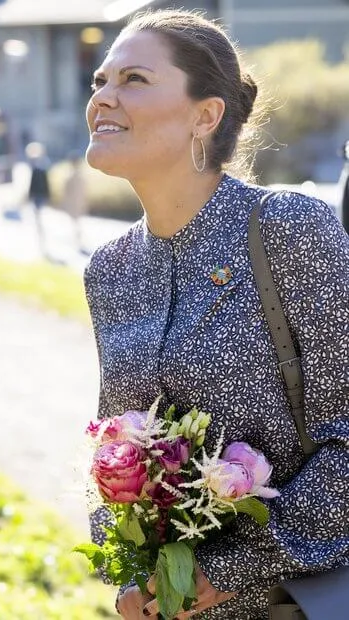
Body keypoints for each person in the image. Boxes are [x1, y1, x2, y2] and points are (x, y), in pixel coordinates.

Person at [83, 9, 348, 620]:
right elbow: (114, 450)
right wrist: (125, 573)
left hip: (300, 602)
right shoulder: (109, 271)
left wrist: (227, 568)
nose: (102, 98)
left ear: (206, 115)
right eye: (100, 81)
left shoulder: (288, 229)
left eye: (134, 80)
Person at [61, 152, 89, 253]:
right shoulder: (79, 175)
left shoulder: (72, 176)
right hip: (77, 202)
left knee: (75, 223)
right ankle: (77, 239)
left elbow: (67, 191)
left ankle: (77, 239)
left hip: (74, 203)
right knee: (77, 222)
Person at [26, 141, 51, 255]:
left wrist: (47, 195)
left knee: (38, 211)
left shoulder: (40, 168)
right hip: (38, 194)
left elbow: (45, 184)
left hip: (39, 194)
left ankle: (38, 223)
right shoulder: (37, 168)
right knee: (37, 211)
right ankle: (38, 222)